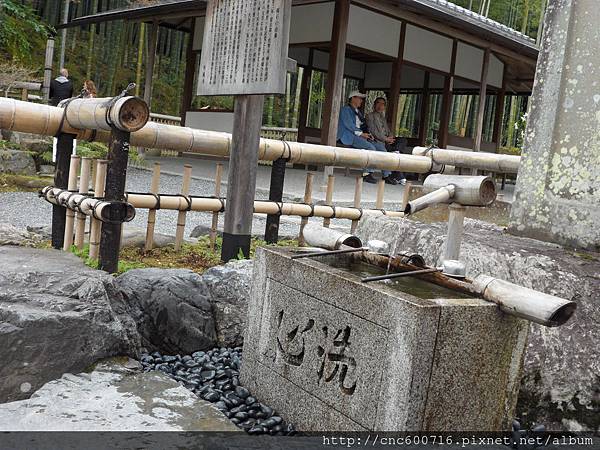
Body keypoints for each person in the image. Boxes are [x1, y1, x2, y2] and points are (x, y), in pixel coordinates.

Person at [337, 91, 398, 185]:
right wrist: (362, 134)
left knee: (381, 148)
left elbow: (363, 126)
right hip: (348, 136)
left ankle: (386, 175)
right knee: (371, 148)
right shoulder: (345, 109)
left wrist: (368, 135)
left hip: (360, 136)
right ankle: (367, 173)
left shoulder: (358, 112)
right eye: (359, 98)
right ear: (353, 98)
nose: (361, 100)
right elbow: (349, 125)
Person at [365, 97, 407, 185]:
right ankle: (387, 175)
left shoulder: (383, 117)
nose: (380, 106)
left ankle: (396, 151)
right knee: (383, 152)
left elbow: (388, 130)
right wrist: (386, 139)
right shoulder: (370, 116)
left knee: (402, 140)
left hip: (386, 141)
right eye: (378, 103)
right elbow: (373, 131)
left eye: (383, 104)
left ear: (384, 106)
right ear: (374, 105)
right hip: (378, 140)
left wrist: (391, 137)